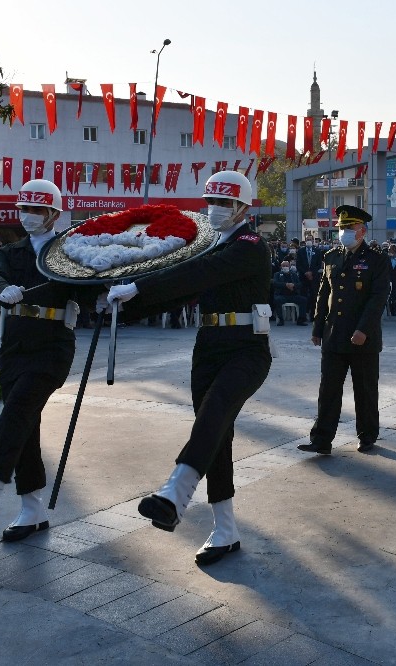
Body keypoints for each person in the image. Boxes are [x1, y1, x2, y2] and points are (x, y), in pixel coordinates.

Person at [106, 171, 273, 566]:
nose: (215, 210)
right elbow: (184, 290)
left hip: (247, 349)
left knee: (213, 415)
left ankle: (174, 493)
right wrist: (122, 306)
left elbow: (199, 273)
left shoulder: (249, 245)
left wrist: (139, 287)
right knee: (217, 436)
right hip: (209, 347)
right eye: (211, 202)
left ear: (243, 209)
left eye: (225, 204)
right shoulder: (211, 246)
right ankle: (225, 529)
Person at [0, 179, 94, 544]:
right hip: (14, 347)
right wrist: (0, 290)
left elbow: (89, 288)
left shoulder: (69, 252)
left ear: (54, 214)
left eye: (37, 210)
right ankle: (32, 508)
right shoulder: (11, 252)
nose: (28, 216)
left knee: (17, 411)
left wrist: (106, 296)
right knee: (24, 422)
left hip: (52, 346)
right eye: (24, 209)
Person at [300, 205, 388, 455]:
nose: (343, 233)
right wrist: (318, 327)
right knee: (328, 390)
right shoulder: (331, 257)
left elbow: (378, 298)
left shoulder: (376, 259)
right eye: (341, 228)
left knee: (365, 390)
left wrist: (363, 330)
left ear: (362, 230)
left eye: (348, 228)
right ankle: (321, 440)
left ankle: (367, 435)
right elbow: (323, 295)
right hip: (334, 334)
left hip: (363, 338)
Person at [272, 259, 308, 325]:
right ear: (281, 267)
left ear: (289, 266)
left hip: (293, 295)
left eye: (287, 265)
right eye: (284, 266)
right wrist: (286, 285)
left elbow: (300, 284)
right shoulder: (277, 274)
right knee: (277, 300)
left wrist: (293, 285)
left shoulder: (293, 274)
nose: (285, 267)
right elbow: (275, 283)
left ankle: (301, 319)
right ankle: (280, 319)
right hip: (282, 295)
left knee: (304, 300)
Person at [296, 236, 322, 321]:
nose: (309, 241)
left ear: (313, 241)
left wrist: (312, 273)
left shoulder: (317, 251)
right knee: (303, 297)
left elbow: (318, 265)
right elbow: (298, 264)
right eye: (307, 240)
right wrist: (305, 272)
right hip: (303, 277)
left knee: (314, 296)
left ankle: (313, 315)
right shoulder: (300, 251)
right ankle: (302, 316)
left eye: (310, 240)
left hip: (314, 278)